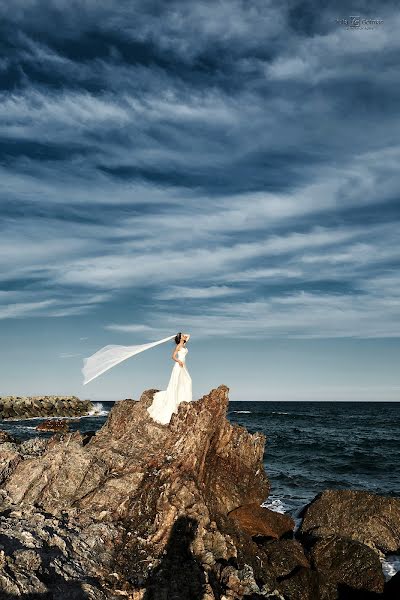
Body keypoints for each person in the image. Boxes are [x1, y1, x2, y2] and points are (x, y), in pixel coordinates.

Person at [147, 332, 192, 425]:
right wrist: (179, 361)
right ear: (180, 338)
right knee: (177, 383)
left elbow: (189, 335)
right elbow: (173, 356)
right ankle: (175, 401)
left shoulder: (183, 344)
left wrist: (182, 335)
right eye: (183, 336)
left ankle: (183, 399)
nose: (184, 336)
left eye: (184, 336)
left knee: (186, 381)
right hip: (179, 365)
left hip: (184, 366)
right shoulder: (179, 346)